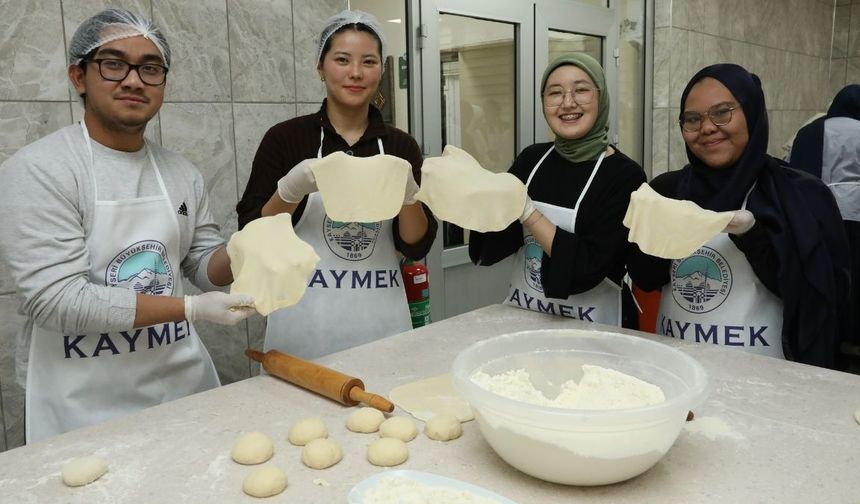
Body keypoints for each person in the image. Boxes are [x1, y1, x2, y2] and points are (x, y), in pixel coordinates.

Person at [0, 9, 256, 443]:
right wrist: (191, 309)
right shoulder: (41, 170)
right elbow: (56, 301)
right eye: (114, 64)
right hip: (82, 404)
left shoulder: (180, 172)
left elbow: (201, 267)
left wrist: (259, 238)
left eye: (150, 68)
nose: (134, 80)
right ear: (78, 77)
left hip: (180, 387)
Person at [236, 10, 437, 359]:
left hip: (383, 330)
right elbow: (251, 234)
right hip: (302, 331)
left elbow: (417, 245)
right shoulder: (285, 139)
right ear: (320, 67)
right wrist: (289, 191)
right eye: (342, 59)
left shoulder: (400, 145)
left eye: (369, 61)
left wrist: (409, 197)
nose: (355, 73)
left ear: (382, 70)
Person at [627, 64, 850, 369]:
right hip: (679, 373)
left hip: (768, 377)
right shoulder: (667, 188)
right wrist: (646, 225)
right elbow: (646, 278)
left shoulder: (802, 196)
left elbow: (823, 299)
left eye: (722, 113)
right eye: (692, 119)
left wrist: (752, 236)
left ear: (752, 113)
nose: (706, 127)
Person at [468, 54, 646, 327]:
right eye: (555, 93)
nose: (568, 103)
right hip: (526, 316)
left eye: (581, 90)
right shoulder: (532, 159)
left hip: (594, 327)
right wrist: (477, 204)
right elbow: (494, 247)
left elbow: (586, 267)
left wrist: (528, 213)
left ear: (602, 97)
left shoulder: (624, 175)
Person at [788, 84, 860, 354]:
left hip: (817, 213)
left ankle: (827, 331)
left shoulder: (810, 130)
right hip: (856, 215)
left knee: (824, 272)